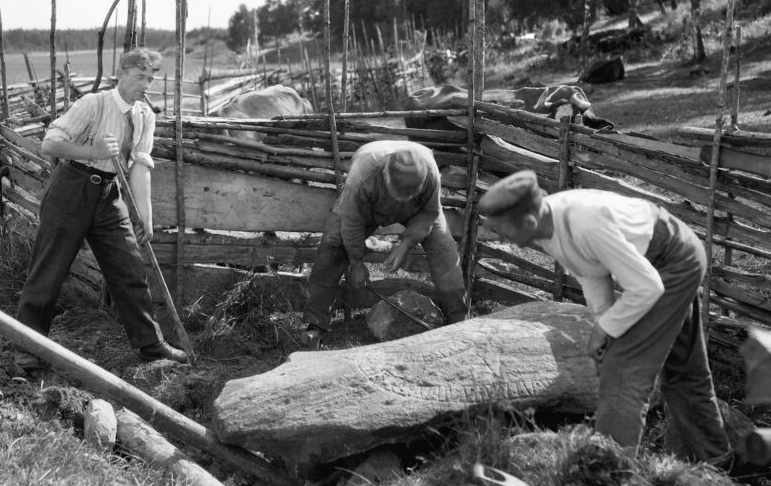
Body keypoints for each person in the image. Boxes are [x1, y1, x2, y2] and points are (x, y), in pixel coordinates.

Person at [478, 170, 731, 465]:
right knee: (683, 370)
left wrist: (606, 330)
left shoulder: (585, 223)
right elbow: (591, 272)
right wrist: (604, 326)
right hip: (662, 262)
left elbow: (648, 286)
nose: (498, 236)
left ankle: (608, 481)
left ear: (528, 221)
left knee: (623, 368)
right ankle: (718, 460)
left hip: (673, 264)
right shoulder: (548, 226)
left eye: (501, 230)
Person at [13, 48, 187, 368]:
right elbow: (49, 143)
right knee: (48, 272)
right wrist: (92, 149)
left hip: (109, 196)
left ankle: (151, 344)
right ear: (121, 74)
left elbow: (140, 167)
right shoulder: (94, 104)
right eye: (139, 77)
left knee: (130, 269)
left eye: (150, 78)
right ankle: (28, 349)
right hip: (71, 189)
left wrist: (145, 217)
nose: (146, 84)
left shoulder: (144, 116)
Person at [302, 140, 468, 344]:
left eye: (409, 194)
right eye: (399, 194)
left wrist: (407, 242)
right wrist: (356, 262)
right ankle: (316, 324)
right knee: (332, 242)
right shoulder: (364, 174)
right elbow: (351, 222)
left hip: (418, 212)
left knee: (445, 251)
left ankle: (459, 323)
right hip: (368, 208)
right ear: (386, 177)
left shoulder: (430, 172)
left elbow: (430, 212)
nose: (402, 200)